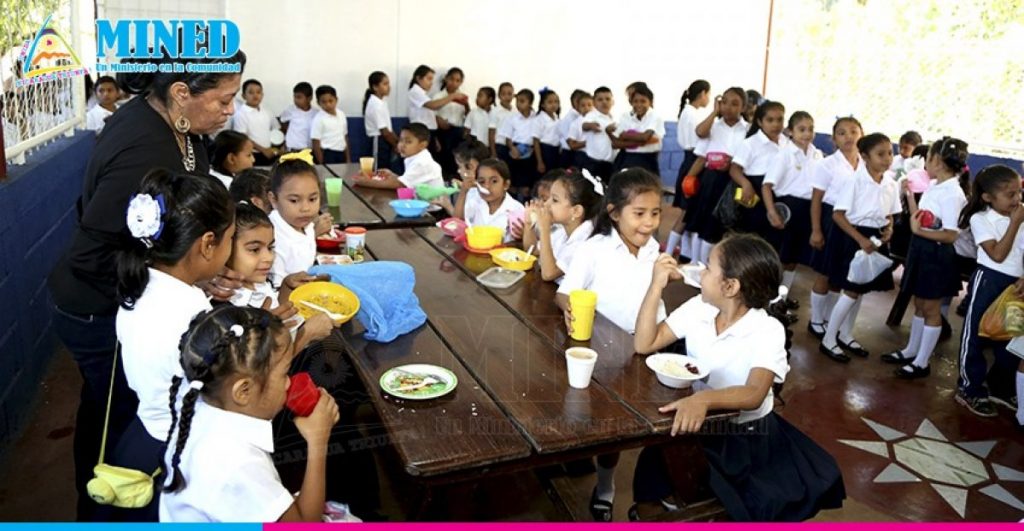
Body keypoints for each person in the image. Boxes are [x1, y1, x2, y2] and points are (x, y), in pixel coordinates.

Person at [47, 50, 246, 521]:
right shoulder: (146, 149)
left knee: (116, 411)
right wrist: (175, 274)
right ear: (181, 93)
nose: (229, 110)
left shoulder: (180, 128)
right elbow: (91, 251)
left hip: (123, 294)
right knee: (117, 419)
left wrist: (202, 264)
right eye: (224, 99)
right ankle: (105, 506)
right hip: (95, 305)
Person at [630, 234, 845, 521]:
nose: (701, 272)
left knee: (739, 509)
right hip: (696, 424)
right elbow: (645, 343)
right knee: (649, 481)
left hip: (744, 440)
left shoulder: (766, 330)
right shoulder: (700, 308)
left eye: (708, 268)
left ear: (730, 286)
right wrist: (655, 285)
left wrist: (704, 398)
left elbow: (754, 392)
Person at [112, 170, 237, 520]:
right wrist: (301, 335)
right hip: (175, 452)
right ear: (208, 243)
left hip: (140, 436)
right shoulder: (192, 318)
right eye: (231, 238)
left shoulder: (139, 287)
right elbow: (232, 392)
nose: (231, 248)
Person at [159, 306, 340, 522]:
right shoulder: (239, 466)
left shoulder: (200, 396)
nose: (289, 382)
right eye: (284, 374)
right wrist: (318, 439)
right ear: (243, 391)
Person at [555, 168, 664, 520]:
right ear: (615, 212)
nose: (648, 223)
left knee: (617, 429)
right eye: (639, 213)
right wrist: (569, 310)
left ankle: (606, 486)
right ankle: (595, 476)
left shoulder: (654, 251)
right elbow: (564, 292)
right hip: (600, 351)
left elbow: (655, 302)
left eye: (655, 213)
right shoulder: (595, 249)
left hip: (642, 351)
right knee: (598, 421)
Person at [884, 137, 969, 378]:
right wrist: (910, 196)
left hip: (937, 254)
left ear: (938, 162)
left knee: (931, 308)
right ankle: (912, 350)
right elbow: (920, 218)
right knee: (919, 303)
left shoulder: (952, 193)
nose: (925, 163)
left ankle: (922, 362)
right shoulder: (936, 185)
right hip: (922, 248)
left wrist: (919, 231)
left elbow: (951, 235)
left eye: (928, 157)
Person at [819, 133, 899, 362]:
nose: (887, 158)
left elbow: (890, 215)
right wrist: (860, 240)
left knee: (861, 288)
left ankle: (846, 333)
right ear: (864, 156)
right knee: (852, 289)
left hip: (875, 237)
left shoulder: (890, 183)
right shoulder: (854, 181)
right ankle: (829, 339)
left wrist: (890, 229)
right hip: (852, 235)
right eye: (880, 154)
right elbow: (838, 215)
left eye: (889, 153)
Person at [955, 165, 1024, 417]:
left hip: (1015, 285)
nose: (1017, 200)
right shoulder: (980, 219)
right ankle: (969, 387)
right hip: (989, 280)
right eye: (1010, 195)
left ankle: (1001, 387)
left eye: (1019, 193)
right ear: (987, 197)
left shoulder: (1018, 215)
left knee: (1010, 335)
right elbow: (997, 254)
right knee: (976, 334)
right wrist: (1015, 224)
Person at [807, 117, 864, 339]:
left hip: (853, 221)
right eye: (842, 133)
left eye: (853, 131)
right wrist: (816, 229)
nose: (848, 136)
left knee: (840, 273)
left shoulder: (865, 164)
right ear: (833, 139)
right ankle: (816, 320)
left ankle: (830, 318)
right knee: (824, 272)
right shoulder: (827, 164)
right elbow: (816, 199)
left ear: (862, 134)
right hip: (830, 220)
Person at [684, 87, 749, 264]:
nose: (728, 107)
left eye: (735, 104)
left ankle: (709, 264)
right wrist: (688, 180)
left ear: (743, 107)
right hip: (710, 180)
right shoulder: (712, 126)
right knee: (702, 221)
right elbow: (700, 141)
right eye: (724, 102)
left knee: (721, 224)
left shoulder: (747, 131)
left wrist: (731, 164)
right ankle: (695, 262)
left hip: (732, 180)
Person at [761, 111, 823, 298]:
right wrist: (772, 211)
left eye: (810, 129)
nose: (807, 134)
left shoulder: (817, 154)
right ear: (790, 131)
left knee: (793, 259)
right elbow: (766, 185)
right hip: (788, 208)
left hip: (808, 209)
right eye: (801, 129)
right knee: (779, 258)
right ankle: (768, 298)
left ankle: (782, 299)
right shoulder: (784, 154)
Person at [522, 168, 602, 282]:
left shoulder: (585, 242)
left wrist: (544, 230)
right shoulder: (563, 231)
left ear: (576, 211)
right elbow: (532, 251)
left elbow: (548, 274)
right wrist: (529, 223)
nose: (546, 204)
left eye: (554, 200)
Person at [267, 153, 334, 283]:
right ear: (274, 200)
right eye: (294, 200)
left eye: (312, 199)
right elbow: (278, 286)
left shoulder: (305, 225)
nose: (305, 208)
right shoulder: (272, 236)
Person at [729, 100, 788, 241]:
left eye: (780, 120)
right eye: (770, 120)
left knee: (775, 237)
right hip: (755, 193)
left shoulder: (786, 141)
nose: (776, 124)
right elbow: (734, 169)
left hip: (778, 192)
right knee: (754, 237)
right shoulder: (750, 143)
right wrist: (745, 184)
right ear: (760, 122)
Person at [666, 79, 711, 261]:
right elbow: (701, 139)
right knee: (688, 214)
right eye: (708, 94)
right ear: (702, 94)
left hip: (688, 160)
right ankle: (669, 252)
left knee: (689, 212)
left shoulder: (687, 112)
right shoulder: (695, 115)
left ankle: (685, 253)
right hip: (695, 162)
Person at [453, 158, 525, 243]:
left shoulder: (516, 209)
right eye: (482, 182)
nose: (487, 186)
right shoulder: (475, 198)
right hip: (475, 249)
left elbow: (521, 242)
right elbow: (457, 221)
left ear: (506, 184)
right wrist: (463, 192)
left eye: (494, 181)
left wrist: (523, 235)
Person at [353, 123, 443, 189]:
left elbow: (399, 185)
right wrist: (393, 176)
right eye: (401, 140)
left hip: (431, 212)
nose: (402, 145)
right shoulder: (415, 157)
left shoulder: (422, 163)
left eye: (408, 142)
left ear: (422, 145)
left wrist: (367, 182)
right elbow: (409, 181)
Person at [609, 84, 664, 175]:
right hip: (628, 159)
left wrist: (625, 135)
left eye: (643, 101)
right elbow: (616, 143)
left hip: (647, 160)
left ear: (650, 102)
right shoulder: (626, 116)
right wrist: (640, 141)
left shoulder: (655, 117)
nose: (639, 104)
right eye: (635, 101)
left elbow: (645, 137)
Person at [500, 88, 538, 198]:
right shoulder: (512, 118)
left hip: (530, 151)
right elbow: (508, 138)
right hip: (515, 150)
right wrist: (512, 148)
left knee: (526, 185)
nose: (518, 104)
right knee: (513, 183)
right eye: (517, 101)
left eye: (522, 101)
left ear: (530, 103)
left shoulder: (536, 118)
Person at [433, 67, 470, 176]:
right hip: (442, 133)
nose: (454, 83)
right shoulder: (439, 96)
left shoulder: (463, 97)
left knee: (456, 161)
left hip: (458, 133)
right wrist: (438, 121)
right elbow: (432, 116)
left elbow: (468, 116)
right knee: (442, 160)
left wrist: (466, 105)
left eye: (458, 80)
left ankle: (455, 184)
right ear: (446, 79)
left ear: (461, 82)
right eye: (451, 79)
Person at [233, 79, 280, 165]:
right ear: (243, 96)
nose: (255, 95)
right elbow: (243, 137)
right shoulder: (241, 114)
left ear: (262, 95)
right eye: (251, 92)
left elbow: (276, 129)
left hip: (269, 153)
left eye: (258, 92)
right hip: (253, 155)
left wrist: (276, 148)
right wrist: (263, 150)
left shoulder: (267, 111)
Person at [363, 72, 399, 172]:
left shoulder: (381, 102)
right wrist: (396, 145)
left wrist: (397, 141)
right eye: (385, 84)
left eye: (388, 83)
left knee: (385, 170)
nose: (389, 87)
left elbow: (389, 128)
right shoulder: (375, 104)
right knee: (378, 170)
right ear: (375, 87)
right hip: (378, 141)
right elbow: (384, 131)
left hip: (384, 141)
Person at [579, 87, 617, 179]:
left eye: (607, 99)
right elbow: (584, 125)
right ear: (594, 103)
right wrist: (591, 126)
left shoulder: (613, 118)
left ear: (612, 101)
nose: (604, 102)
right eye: (600, 100)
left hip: (610, 163)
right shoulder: (592, 115)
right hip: (595, 163)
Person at [310, 85, 350, 165]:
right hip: (328, 154)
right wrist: (321, 163)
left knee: (341, 176)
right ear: (318, 103)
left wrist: (348, 159)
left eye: (330, 101)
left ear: (336, 99)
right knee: (330, 177)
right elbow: (315, 143)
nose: (328, 104)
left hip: (341, 153)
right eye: (324, 102)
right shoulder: (318, 119)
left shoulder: (341, 114)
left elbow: (345, 137)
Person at [532, 88, 562, 176]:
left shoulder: (557, 119)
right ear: (543, 105)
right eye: (550, 102)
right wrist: (540, 161)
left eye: (556, 102)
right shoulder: (539, 119)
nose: (554, 105)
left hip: (555, 151)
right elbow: (536, 141)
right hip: (544, 151)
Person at [279, 82, 316, 152]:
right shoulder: (290, 110)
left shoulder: (316, 114)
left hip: (308, 150)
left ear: (309, 98)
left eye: (299, 97)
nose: (295, 100)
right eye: (294, 97)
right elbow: (282, 121)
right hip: (292, 149)